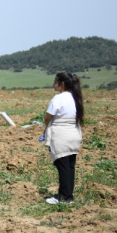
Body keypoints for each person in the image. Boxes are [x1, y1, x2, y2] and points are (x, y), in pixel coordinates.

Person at [41, 72, 85, 205]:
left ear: (62, 84)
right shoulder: (76, 97)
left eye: (56, 81)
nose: (54, 84)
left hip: (61, 135)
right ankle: (68, 196)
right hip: (74, 133)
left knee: (63, 166)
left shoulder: (58, 98)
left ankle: (64, 196)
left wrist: (46, 126)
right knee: (70, 165)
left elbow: (48, 116)